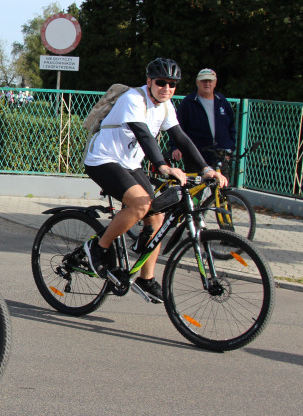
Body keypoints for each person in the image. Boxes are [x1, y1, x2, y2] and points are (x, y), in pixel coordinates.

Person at [82, 58, 227, 300]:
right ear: (149, 81)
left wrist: (205, 168)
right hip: (103, 160)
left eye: (172, 84)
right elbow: (143, 134)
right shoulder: (133, 98)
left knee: (157, 217)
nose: (166, 88)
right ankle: (97, 247)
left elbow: (180, 137)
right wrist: (163, 166)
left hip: (129, 164)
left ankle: (146, 279)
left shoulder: (166, 106)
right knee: (140, 204)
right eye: (161, 82)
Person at [170, 68, 237, 169]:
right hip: (196, 155)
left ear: (215, 82)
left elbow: (231, 127)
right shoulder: (188, 103)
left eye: (210, 81)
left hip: (220, 156)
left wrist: (230, 148)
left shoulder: (222, 101)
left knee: (221, 179)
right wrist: (175, 147)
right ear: (197, 82)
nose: (207, 84)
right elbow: (176, 127)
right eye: (203, 81)